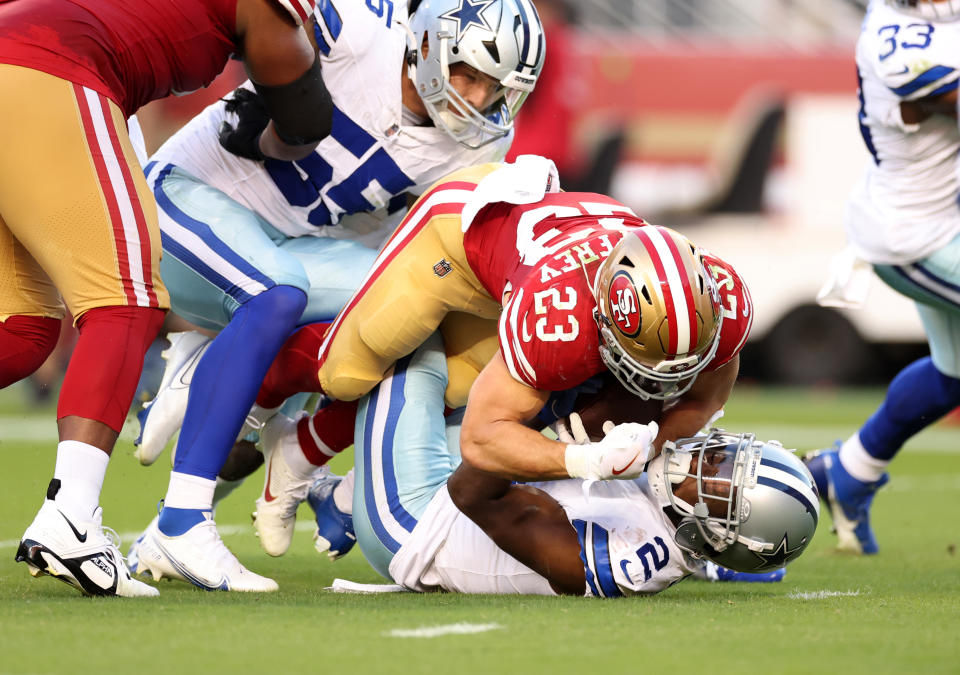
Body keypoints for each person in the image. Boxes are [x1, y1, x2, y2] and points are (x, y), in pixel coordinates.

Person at [127, 0, 546, 591]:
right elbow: (241, 15)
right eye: (469, 75)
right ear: (426, 44)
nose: (478, 100)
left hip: (290, 249)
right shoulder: (360, 30)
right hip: (184, 203)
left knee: (418, 313)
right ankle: (182, 517)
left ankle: (283, 455)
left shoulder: (477, 148)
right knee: (275, 291)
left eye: (496, 87)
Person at [206, 156, 753, 563]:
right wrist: (586, 463)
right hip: (453, 239)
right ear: (606, 317)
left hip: (519, 270)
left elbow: (702, 397)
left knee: (450, 390)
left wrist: (650, 448)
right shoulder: (558, 317)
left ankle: (300, 448)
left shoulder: (721, 302)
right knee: (348, 370)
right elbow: (482, 439)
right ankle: (243, 391)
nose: (660, 382)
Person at [0, 0, 340, 598]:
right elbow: (305, 119)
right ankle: (70, 518)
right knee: (127, 301)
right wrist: (270, 128)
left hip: (29, 57)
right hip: (48, 68)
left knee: (23, 333)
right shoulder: (273, 14)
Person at [313, 335, 817, 596]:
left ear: (716, 534)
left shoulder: (627, 562)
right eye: (727, 456)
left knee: (409, 345)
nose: (705, 459)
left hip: (420, 524)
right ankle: (340, 499)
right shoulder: (683, 522)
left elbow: (477, 494)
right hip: (469, 478)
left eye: (717, 483)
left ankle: (285, 436)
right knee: (485, 351)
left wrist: (568, 443)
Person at [804, 0, 960, 555]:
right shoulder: (898, 41)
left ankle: (847, 471)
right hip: (916, 234)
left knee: (952, 372)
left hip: (935, 219)